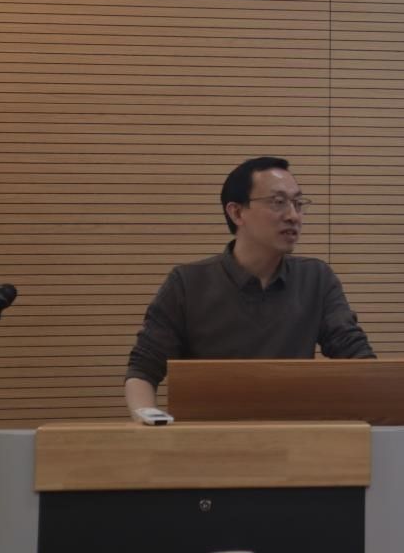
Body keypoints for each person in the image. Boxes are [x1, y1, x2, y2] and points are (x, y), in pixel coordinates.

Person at [124, 156, 374, 416]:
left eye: (298, 203)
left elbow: (356, 357)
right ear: (237, 212)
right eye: (278, 202)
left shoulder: (316, 278)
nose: (293, 216)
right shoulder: (187, 283)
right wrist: (152, 424)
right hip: (208, 437)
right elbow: (143, 370)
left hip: (296, 436)